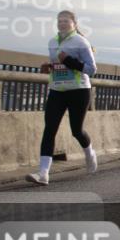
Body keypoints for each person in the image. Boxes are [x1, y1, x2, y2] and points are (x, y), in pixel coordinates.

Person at [26, 10, 98, 185]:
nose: (62, 23)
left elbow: (91, 69)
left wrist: (69, 61)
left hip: (79, 90)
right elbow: (58, 64)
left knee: (76, 130)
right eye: (59, 21)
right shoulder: (52, 42)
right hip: (57, 90)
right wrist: (49, 66)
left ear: (74, 23)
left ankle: (89, 152)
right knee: (49, 129)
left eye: (66, 20)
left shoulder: (81, 42)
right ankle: (43, 173)